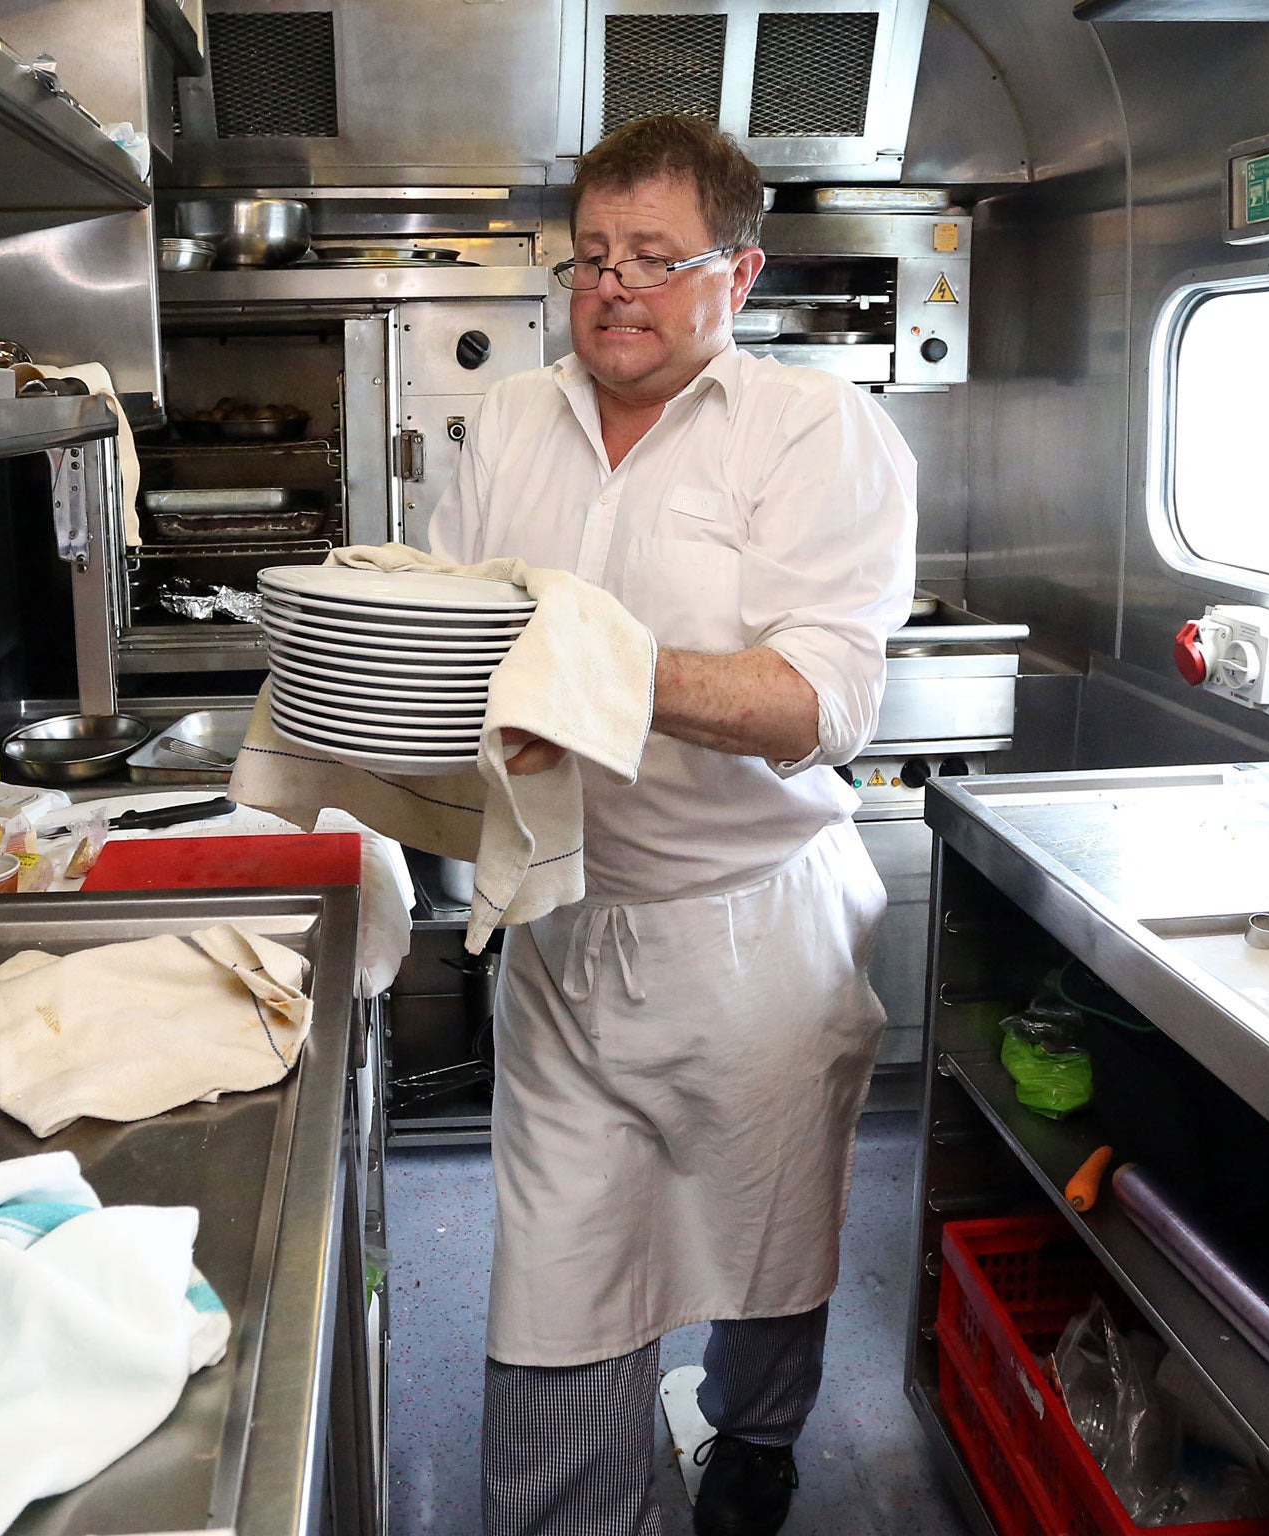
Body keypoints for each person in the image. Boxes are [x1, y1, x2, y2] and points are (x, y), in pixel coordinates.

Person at [426, 114, 918, 1536]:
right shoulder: (516, 415)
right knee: (559, 1281)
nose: (612, 289)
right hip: (568, 926)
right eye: (589, 257)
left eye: (652, 257)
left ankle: (756, 1447)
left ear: (739, 275)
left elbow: (821, 701)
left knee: (768, 1251)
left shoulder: (817, 431)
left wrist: (595, 671)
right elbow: (461, 630)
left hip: (753, 937)